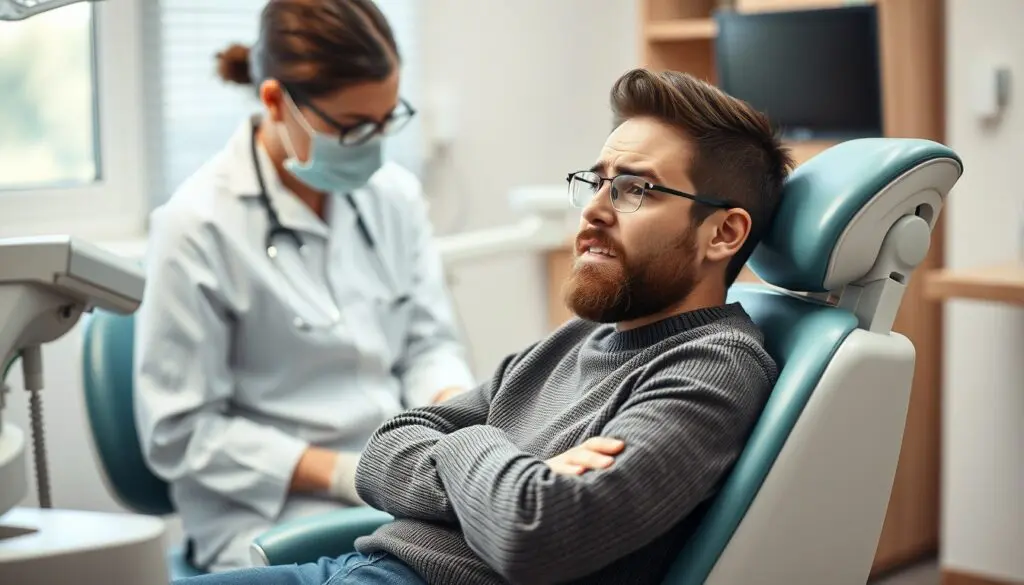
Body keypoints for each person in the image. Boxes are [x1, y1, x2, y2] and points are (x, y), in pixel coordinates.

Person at [173, 67, 795, 585]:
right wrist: (514, 472)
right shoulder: (576, 339)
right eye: (597, 182)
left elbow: (538, 535)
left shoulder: (712, 366)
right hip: (354, 565)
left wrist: (472, 448)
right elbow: (382, 451)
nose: (595, 211)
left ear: (724, 232)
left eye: (636, 190)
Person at [133, 0, 475, 573]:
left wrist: (458, 421)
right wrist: (345, 472)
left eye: (388, 119)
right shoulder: (196, 225)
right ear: (275, 102)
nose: (375, 142)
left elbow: (429, 346)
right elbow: (182, 432)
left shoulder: (394, 197)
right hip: (273, 516)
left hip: (398, 491)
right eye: (351, 127)